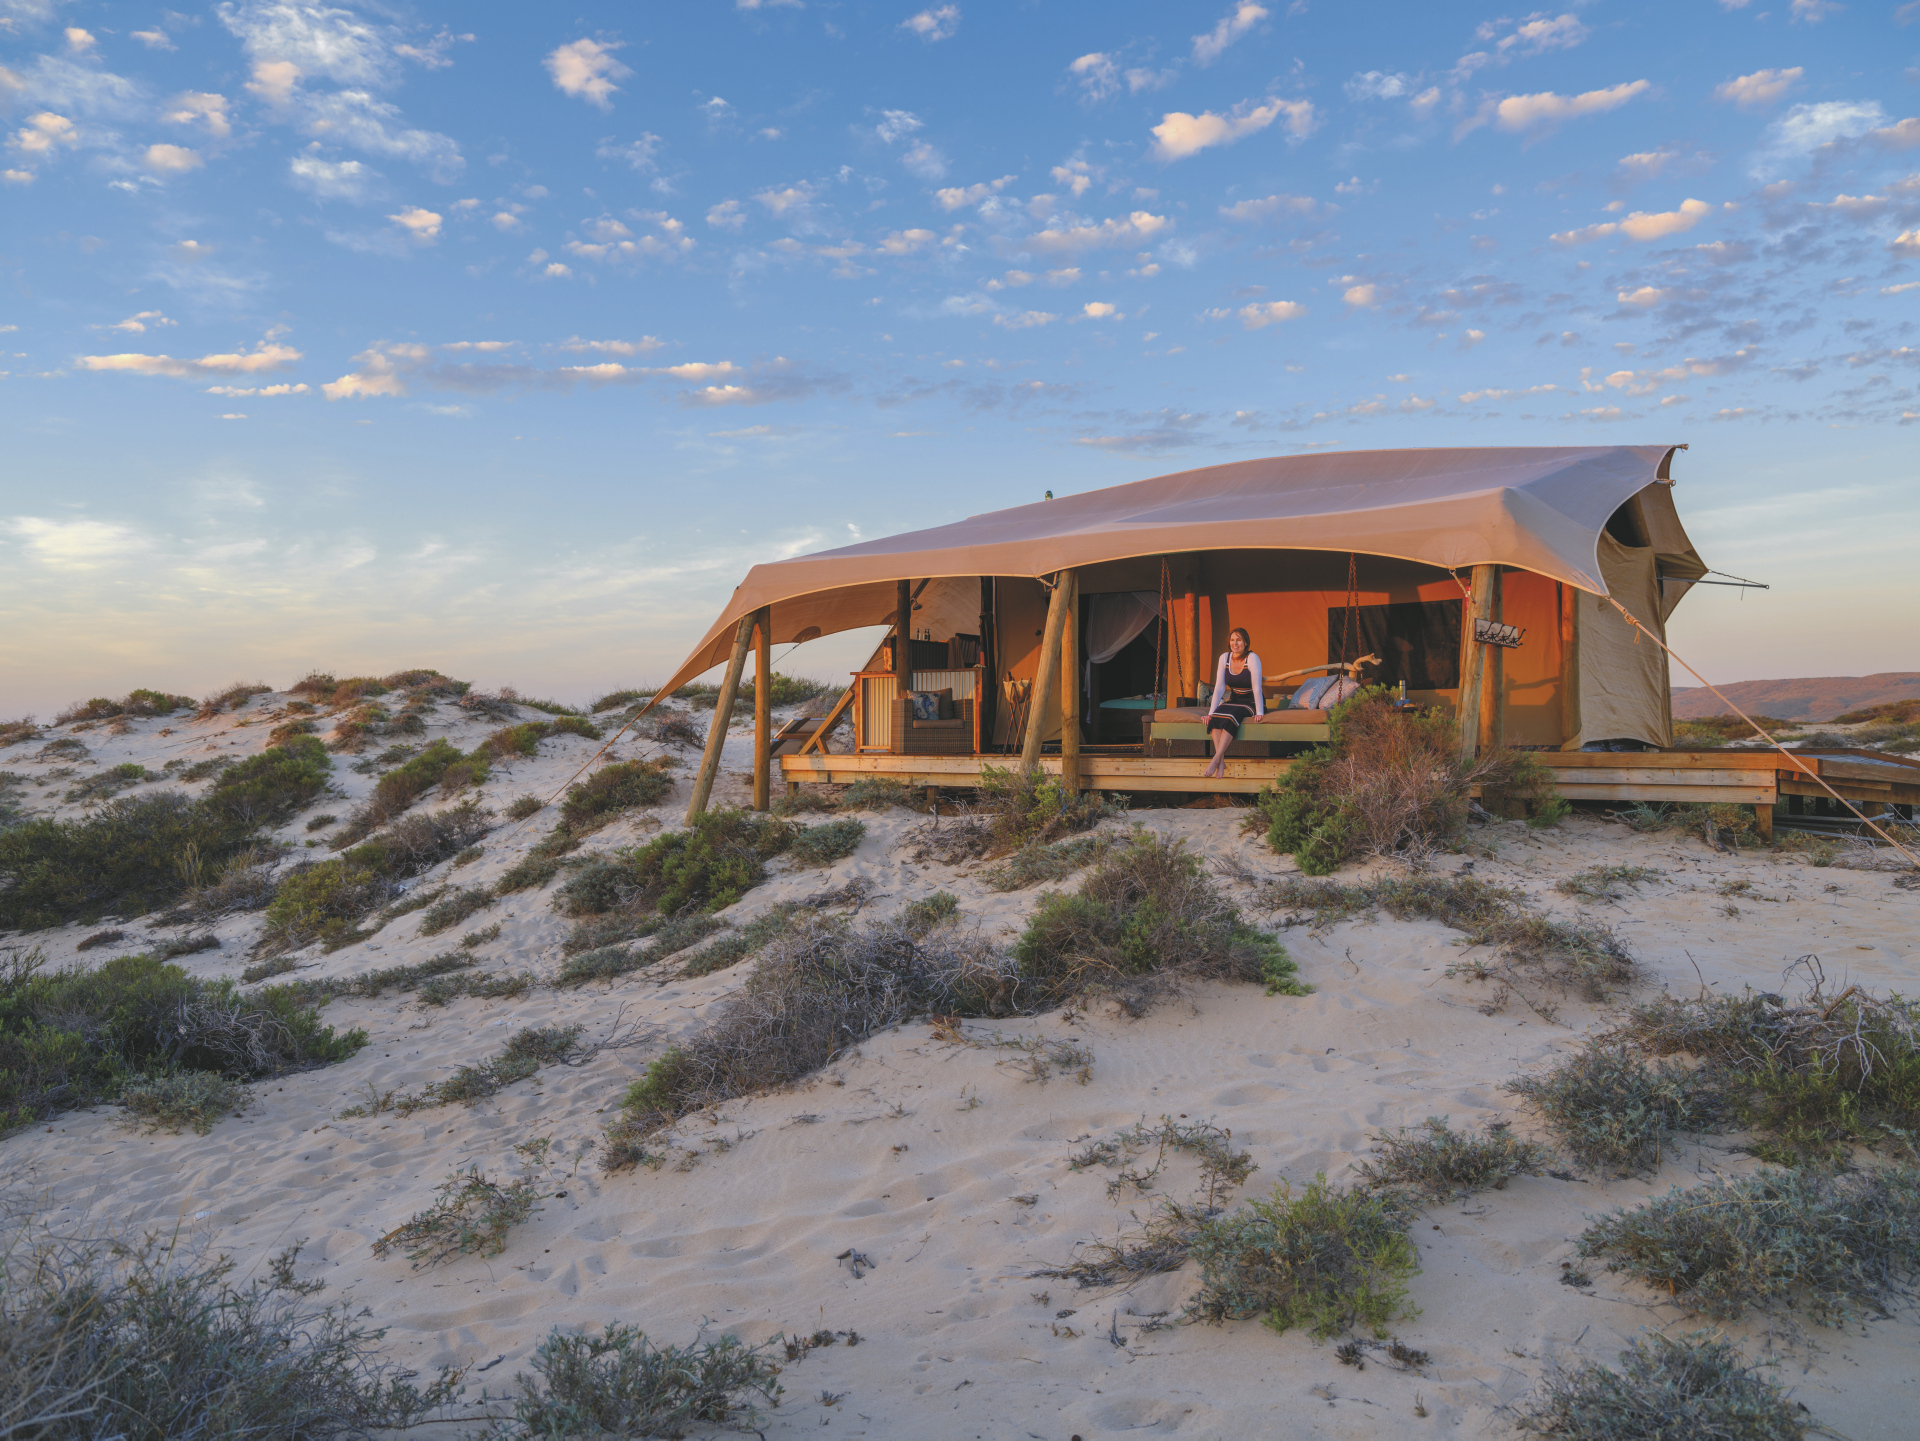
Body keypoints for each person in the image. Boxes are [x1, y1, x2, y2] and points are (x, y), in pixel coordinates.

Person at [1203, 627, 1263, 778]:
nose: (1235, 643)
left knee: (1231, 716)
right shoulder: (1224, 658)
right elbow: (1219, 687)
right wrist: (1211, 712)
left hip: (1251, 701)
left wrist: (1259, 712)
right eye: (1232, 640)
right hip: (1234, 699)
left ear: (1246, 642)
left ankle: (1215, 759)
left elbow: (1257, 687)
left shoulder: (1252, 658)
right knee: (1216, 717)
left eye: (1239, 640)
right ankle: (1221, 762)